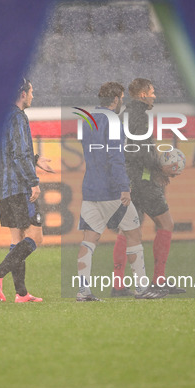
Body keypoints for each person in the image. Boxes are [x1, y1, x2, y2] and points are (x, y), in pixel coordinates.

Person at [75, 82, 166, 302]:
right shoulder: (113, 121)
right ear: (115, 99)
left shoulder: (87, 119)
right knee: (134, 234)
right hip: (112, 191)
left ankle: (83, 291)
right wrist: (124, 188)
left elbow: (91, 152)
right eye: (121, 98)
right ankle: (142, 289)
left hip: (90, 189)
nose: (122, 102)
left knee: (89, 240)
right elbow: (116, 158)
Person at [111, 78, 186, 297]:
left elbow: (129, 150)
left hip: (129, 180)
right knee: (166, 223)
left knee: (130, 230)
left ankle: (118, 285)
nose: (155, 95)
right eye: (152, 92)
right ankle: (158, 281)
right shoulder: (139, 116)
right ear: (143, 94)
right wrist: (160, 168)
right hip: (142, 181)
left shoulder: (125, 114)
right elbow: (141, 152)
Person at [0, 78, 53, 303]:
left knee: (17, 237)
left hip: (2, 188)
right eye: (31, 91)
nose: (33, 96)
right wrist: (33, 181)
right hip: (17, 186)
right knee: (36, 237)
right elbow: (19, 153)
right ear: (23, 94)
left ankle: (21, 293)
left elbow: (9, 149)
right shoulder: (17, 116)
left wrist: (36, 159)